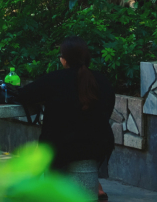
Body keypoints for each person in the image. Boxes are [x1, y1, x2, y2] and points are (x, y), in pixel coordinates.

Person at [19, 36, 115, 201]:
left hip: (58, 150)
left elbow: (23, 95)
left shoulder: (54, 79)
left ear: (64, 60)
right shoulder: (102, 81)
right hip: (95, 148)